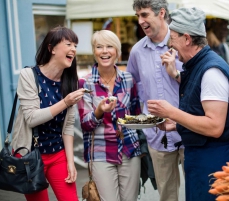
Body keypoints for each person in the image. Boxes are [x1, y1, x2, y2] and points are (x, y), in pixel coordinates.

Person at [147, 7, 229, 201]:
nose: (170, 45)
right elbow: (198, 110)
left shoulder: (211, 72)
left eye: (172, 38)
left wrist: (171, 112)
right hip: (201, 160)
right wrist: (176, 125)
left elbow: (215, 126)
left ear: (187, 39)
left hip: (214, 161)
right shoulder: (198, 65)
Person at [11, 26, 85, 201]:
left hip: (57, 153)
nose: (73, 49)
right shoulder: (29, 75)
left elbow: (67, 127)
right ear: (51, 48)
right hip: (29, 155)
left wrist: (70, 161)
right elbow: (31, 118)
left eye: (75, 45)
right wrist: (65, 102)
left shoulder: (70, 80)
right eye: (68, 44)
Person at [127, 0, 184, 200]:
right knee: (167, 195)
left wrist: (176, 73)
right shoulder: (136, 51)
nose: (140, 21)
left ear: (161, 13)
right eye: (138, 17)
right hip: (157, 134)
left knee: (199, 190)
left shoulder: (183, 42)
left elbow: (199, 83)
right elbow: (132, 87)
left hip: (188, 130)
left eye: (144, 15)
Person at [77, 30, 142, 201]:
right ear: (94, 52)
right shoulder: (85, 83)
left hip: (129, 149)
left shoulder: (129, 79)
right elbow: (85, 124)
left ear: (117, 52)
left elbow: (136, 115)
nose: (104, 51)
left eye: (109, 46)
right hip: (101, 153)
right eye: (99, 47)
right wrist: (99, 111)